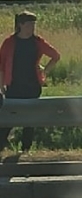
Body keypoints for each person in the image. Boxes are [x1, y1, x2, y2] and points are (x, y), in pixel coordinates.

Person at [0, 11, 60, 153]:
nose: (32, 28)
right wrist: (1, 85)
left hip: (32, 86)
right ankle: (1, 146)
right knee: (9, 117)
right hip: (14, 86)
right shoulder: (9, 42)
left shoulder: (37, 42)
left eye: (34, 25)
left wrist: (45, 71)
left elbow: (55, 56)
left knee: (30, 121)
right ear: (20, 25)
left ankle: (25, 150)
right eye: (29, 25)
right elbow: (1, 65)